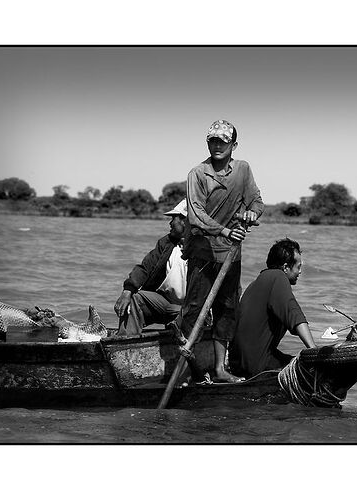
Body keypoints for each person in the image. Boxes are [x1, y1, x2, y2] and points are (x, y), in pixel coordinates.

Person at [181, 119, 264, 383]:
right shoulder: (198, 173)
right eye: (212, 141)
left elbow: (257, 201)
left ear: (233, 145)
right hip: (203, 253)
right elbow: (196, 215)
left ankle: (219, 369)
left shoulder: (243, 170)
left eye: (222, 142)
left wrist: (252, 213)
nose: (217, 146)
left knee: (227, 310)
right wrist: (226, 231)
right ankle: (184, 368)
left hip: (230, 256)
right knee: (194, 310)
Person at [228, 238, 316, 378]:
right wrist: (314, 351)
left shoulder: (258, 281)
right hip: (256, 363)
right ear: (286, 267)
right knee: (311, 370)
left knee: (294, 361)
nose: (300, 272)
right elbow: (294, 315)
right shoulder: (277, 277)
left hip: (238, 361)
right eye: (298, 267)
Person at [113, 199, 188, 336]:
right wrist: (127, 291)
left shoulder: (202, 247)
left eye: (174, 219)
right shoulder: (166, 243)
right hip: (165, 303)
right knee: (135, 299)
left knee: (189, 315)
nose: (170, 223)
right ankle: (125, 342)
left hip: (189, 309)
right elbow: (145, 268)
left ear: (185, 221)